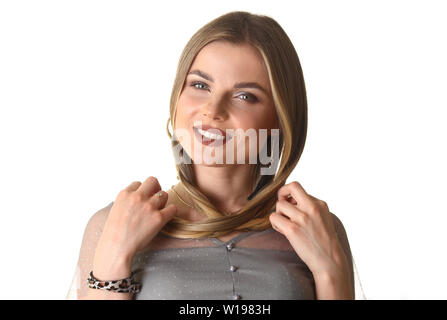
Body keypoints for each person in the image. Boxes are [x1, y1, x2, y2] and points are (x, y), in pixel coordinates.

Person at [67, 11, 366, 300]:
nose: (213, 110)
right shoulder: (114, 222)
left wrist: (329, 272)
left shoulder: (316, 227)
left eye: (245, 96)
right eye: (199, 85)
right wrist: (114, 261)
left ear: (280, 117)